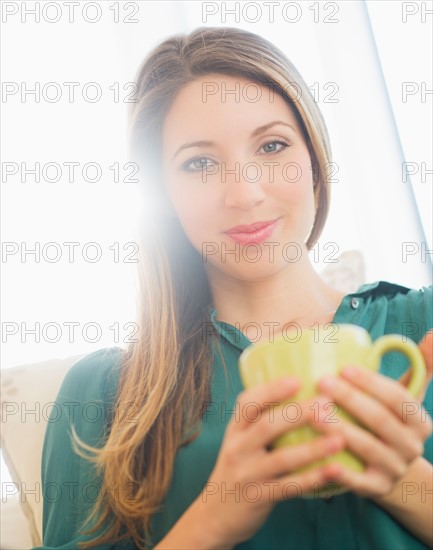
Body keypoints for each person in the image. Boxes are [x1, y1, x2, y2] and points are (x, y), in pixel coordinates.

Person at [34, 27, 433, 550]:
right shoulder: (103, 395)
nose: (244, 194)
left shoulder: (422, 329)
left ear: (314, 158)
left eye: (272, 145)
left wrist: (403, 478)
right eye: (199, 163)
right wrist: (217, 517)